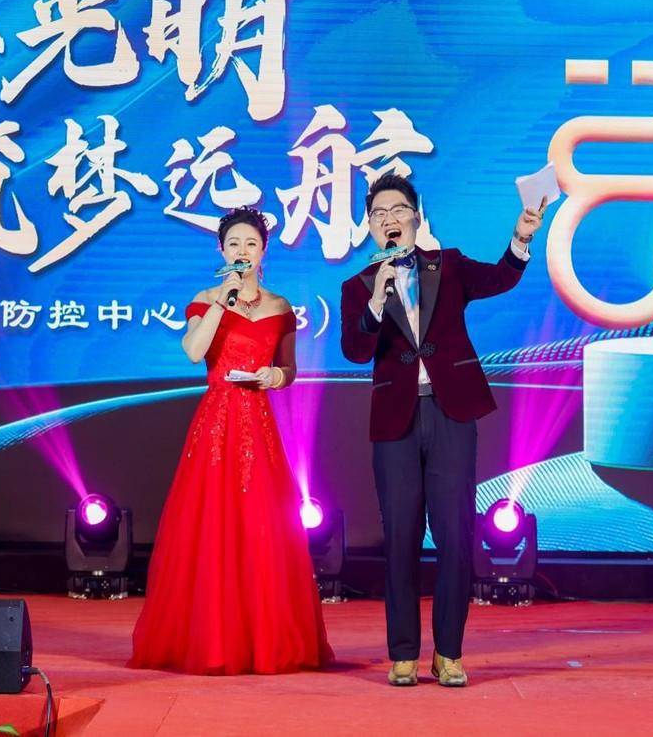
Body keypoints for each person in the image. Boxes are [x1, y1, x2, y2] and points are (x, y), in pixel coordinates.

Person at [339, 172, 545, 687]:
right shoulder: (357, 287)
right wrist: (376, 301)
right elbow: (356, 351)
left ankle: (449, 652)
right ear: (370, 227)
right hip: (396, 422)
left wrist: (520, 239)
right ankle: (404, 653)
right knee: (400, 537)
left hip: (451, 413)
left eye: (396, 210)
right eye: (378, 215)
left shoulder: (446, 265)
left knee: (455, 535)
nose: (388, 220)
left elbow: (500, 278)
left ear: (416, 215)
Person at [130, 206, 333, 674]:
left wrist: (273, 376)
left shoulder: (280, 307)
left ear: (264, 251)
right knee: (210, 527)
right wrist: (222, 302)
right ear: (221, 250)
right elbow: (193, 351)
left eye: (251, 244)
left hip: (257, 423)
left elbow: (290, 370)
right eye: (235, 244)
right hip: (216, 423)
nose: (243, 251)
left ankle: (263, 639)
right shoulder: (206, 299)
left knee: (264, 526)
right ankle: (214, 640)